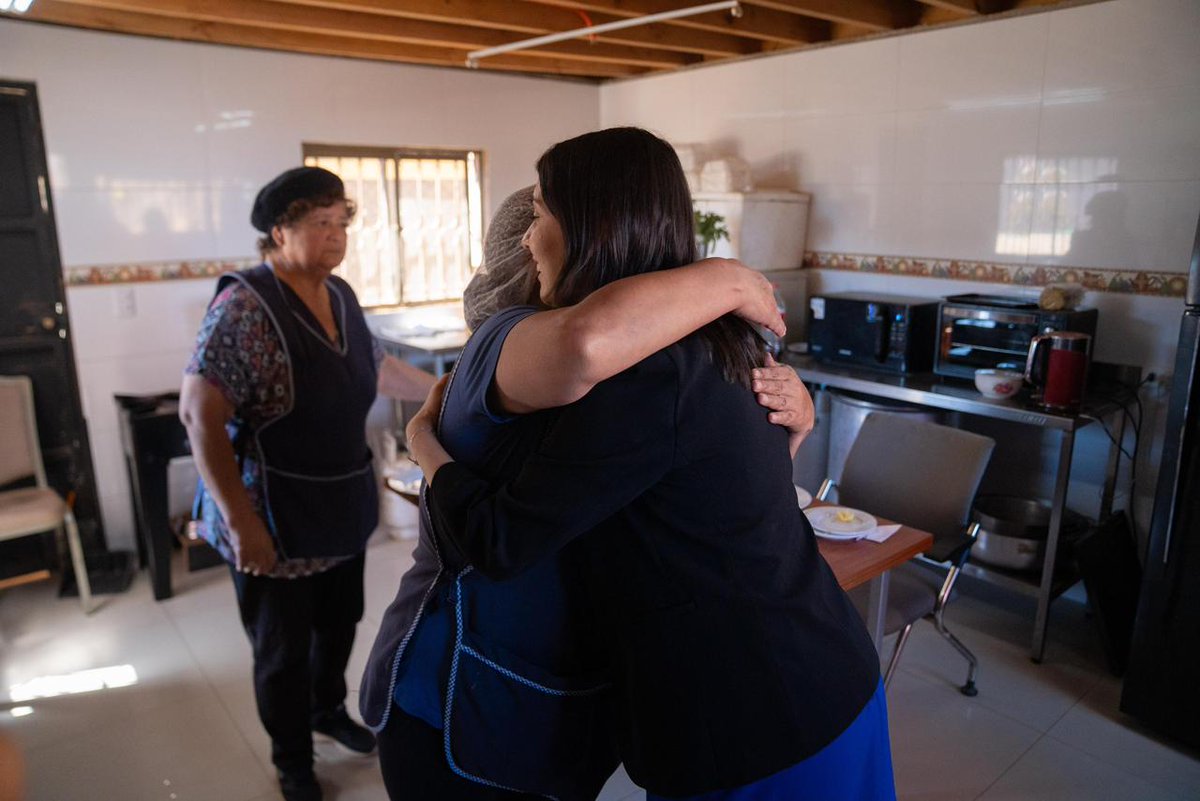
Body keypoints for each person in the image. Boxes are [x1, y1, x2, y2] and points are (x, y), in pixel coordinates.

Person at [407, 128, 895, 800]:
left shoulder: (641, 375)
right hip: (822, 672)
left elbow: (498, 539)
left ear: (591, 223)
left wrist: (423, 443)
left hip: (758, 720)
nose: (527, 237)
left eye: (543, 211)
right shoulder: (726, 336)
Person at [179, 166, 433, 801]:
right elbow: (197, 413)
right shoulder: (245, 307)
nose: (335, 236)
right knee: (282, 649)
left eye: (341, 222)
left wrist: (450, 391)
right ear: (278, 231)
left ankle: (326, 711)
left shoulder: (340, 294)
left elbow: (377, 368)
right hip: (272, 512)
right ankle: (292, 759)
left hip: (337, 500)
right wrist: (240, 522)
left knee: (341, 621)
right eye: (319, 224)